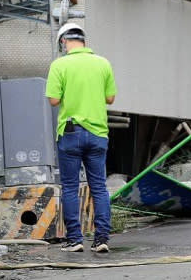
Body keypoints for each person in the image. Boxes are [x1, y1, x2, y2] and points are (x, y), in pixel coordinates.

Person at [46, 23, 117, 253]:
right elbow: (110, 98)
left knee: (69, 187)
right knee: (99, 187)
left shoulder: (59, 65)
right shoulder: (103, 63)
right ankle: (102, 239)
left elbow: (53, 100)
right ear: (83, 41)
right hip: (98, 134)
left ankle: (75, 240)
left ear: (63, 42)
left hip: (70, 134)